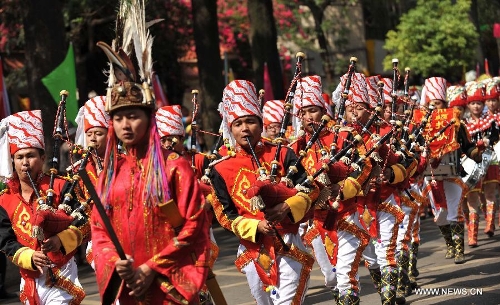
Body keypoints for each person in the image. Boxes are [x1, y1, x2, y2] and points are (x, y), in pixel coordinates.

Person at [91, 2, 210, 303]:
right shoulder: (109, 173)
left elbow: (195, 223)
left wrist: (152, 268)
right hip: (129, 287)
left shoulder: (174, 166)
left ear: (149, 118)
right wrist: (114, 262)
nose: (125, 125)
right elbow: (99, 227)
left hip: (169, 287)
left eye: (133, 116)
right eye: (118, 118)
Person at [208, 79, 317, 305]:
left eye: (250, 122)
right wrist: (256, 225)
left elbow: (310, 188)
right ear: (230, 128)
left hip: (289, 241)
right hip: (252, 247)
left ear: (261, 123)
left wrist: (286, 206)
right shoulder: (219, 169)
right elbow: (225, 215)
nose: (245, 129)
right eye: (238, 124)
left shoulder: (283, 153)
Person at [291, 74, 370, 304]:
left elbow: (362, 168)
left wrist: (340, 189)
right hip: (317, 223)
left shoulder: (344, 136)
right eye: (303, 112)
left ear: (323, 109)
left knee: (346, 277)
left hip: (346, 215)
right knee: (331, 278)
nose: (308, 116)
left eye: (313, 110)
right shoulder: (294, 149)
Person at [0, 110, 86, 304]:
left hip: (62, 273)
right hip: (29, 278)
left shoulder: (61, 186)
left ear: (43, 157)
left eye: (30, 156)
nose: (24, 163)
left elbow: (84, 221)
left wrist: (60, 239)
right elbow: (4, 240)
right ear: (12, 161)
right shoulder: (4, 200)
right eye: (19, 157)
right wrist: (28, 256)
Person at [419, 77, 482, 264]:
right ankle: (449, 243)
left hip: (453, 174)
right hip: (431, 176)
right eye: (431, 104)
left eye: (437, 104)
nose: (434, 108)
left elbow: (468, 147)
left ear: (445, 104)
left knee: (455, 211)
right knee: (439, 216)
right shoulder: (420, 127)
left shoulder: (456, 124)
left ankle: (459, 250)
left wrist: (477, 152)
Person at [73, 95, 110, 268]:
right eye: (89, 134)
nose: (93, 138)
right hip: (96, 237)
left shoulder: (124, 162)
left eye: (99, 133)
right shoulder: (77, 171)